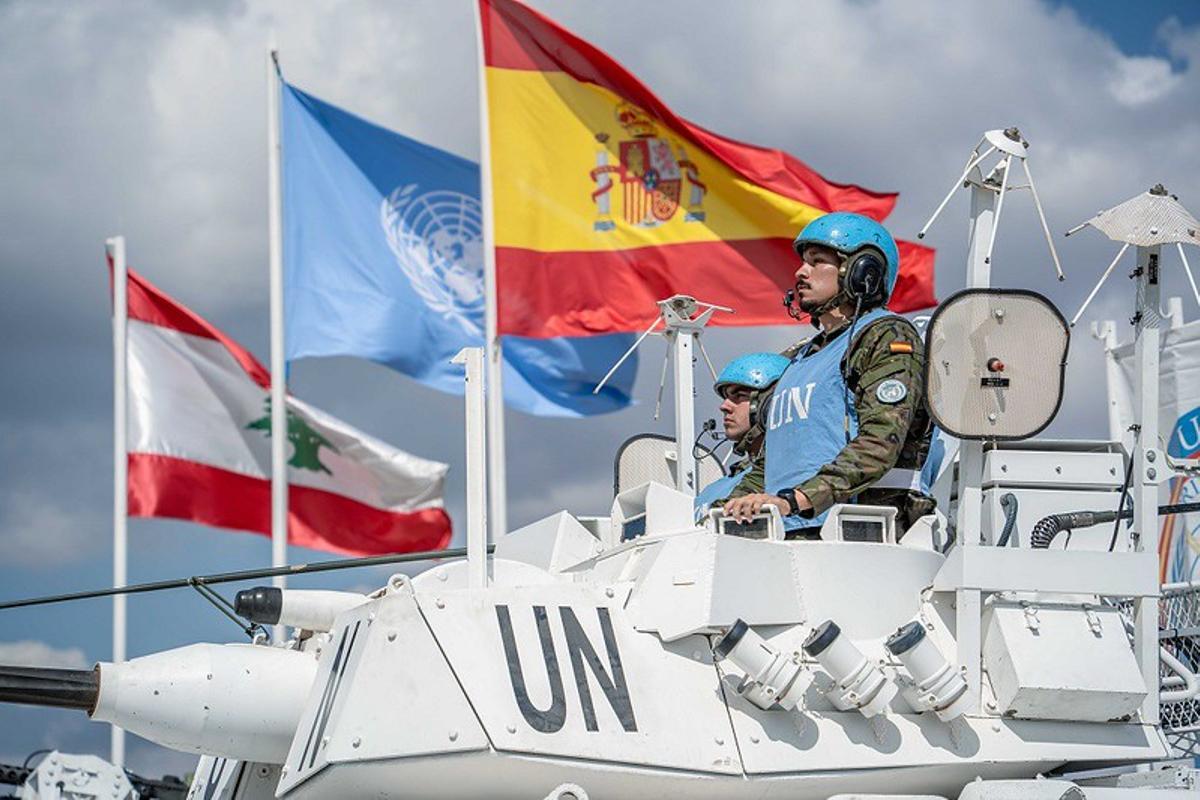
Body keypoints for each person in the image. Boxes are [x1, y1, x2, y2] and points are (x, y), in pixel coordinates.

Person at [723, 211, 935, 538]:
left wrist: (799, 499)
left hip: (857, 538)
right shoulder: (798, 360)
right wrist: (727, 509)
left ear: (862, 272)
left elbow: (880, 441)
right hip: (786, 533)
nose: (800, 271)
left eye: (817, 260)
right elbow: (769, 465)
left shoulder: (884, 336)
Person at [693, 353, 790, 521]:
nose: (724, 406)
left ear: (771, 403)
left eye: (740, 396)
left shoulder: (789, 476)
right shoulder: (711, 491)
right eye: (726, 397)